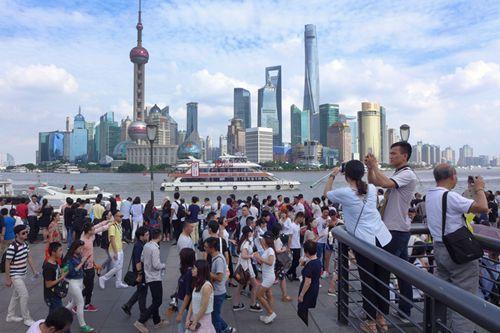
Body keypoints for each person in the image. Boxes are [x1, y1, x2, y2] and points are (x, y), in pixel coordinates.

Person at [324, 161, 392, 333]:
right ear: (361, 173)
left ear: (346, 176)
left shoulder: (345, 192)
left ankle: (370, 323)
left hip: (366, 243)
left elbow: (326, 194)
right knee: (382, 281)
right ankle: (382, 319)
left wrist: (332, 175)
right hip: (383, 238)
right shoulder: (372, 189)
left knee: (368, 281)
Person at [425, 164, 488, 333]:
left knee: (444, 294)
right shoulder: (450, 197)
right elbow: (483, 208)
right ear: (453, 176)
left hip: (439, 249)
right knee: (465, 301)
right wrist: (480, 189)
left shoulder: (430, 195)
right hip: (458, 253)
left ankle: (440, 328)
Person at [365, 141, 417, 320]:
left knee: (383, 271)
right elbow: (373, 181)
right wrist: (371, 168)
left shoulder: (407, 174)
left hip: (395, 231)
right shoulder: (399, 173)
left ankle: (381, 313)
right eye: (390, 153)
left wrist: (375, 166)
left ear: (405, 156)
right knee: (403, 273)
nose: (391, 156)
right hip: (393, 229)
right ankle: (404, 310)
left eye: (395, 153)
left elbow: (384, 182)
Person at [134, 229, 168, 333]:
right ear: (159, 236)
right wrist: (164, 265)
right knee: (158, 301)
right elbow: (156, 265)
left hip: (148, 276)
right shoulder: (155, 248)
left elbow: (142, 259)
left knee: (155, 300)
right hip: (155, 278)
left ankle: (157, 321)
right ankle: (140, 321)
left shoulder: (146, 246)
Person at [5, 224, 37, 326]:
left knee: (16, 295)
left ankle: (10, 316)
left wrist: (34, 271)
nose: (26, 234)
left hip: (22, 274)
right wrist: (8, 279)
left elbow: (29, 257)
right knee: (24, 295)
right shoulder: (12, 247)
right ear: (17, 235)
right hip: (15, 275)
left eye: (26, 232)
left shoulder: (25, 244)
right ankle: (26, 318)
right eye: (23, 233)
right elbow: (7, 263)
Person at [205, 237, 236, 333]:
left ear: (212, 248)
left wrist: (206, 272)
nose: (204, 248)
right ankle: (227, 328)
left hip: (218, 292)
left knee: (215, 317)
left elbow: (219, 278)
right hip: (217, 291)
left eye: (206, 247)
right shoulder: (216, 257)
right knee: (215, 314)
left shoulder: (218, 260)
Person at [81, 218, 111, 311]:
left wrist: (107, 221)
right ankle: (77, 302)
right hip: (85, 267)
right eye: (92, 230)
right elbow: (80, 256)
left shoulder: (90, 235)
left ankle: (85, 304)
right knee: (89, 287)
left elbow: (98, 227)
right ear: (89, 231)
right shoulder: (83, 241)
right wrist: (111, 224)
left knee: (90, 287)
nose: (94, 231)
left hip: (90, 265)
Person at [63, 240, 94, 332]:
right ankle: (83, 325)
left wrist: (85, 262)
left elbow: (80, 268)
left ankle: (60, 314)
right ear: (74, 248)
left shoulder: (78, 255)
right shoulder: (69, 258)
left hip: (79, 281)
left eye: (82, 248)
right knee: (80, 303)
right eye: (80, 248)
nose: (81, 250)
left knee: (74, 302)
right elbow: (72, 272)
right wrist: (81, 262)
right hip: (72, 282)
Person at [232, 226, 262, 312]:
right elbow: (244, 255)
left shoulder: (245, 241)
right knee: (254, 285)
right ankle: (252, 304)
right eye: (251, 231)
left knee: (241, 286)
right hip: (246, 267)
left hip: (243, 266)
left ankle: (236, 304)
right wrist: (252, 256)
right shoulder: (246, 243)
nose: (252, 233)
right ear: (249, 233)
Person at [122, 227, 150, 317]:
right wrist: (140, 274)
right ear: (141, 236)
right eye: (146, 234)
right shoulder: (139, 246)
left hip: (141, 272)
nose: (148, 236)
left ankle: (128, 305)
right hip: (140, 272)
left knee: (141, 291)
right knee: (142, 293)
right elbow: (138, 262)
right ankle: (143, 313)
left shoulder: (141, 244)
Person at [99, 211, 128, 289]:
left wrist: (121, 241)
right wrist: (115, 252)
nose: (121, 217)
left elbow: (117, 237)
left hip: (120, 249)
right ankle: (103, 278)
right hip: (114, 250)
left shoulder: (119, 226)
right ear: (115, 217)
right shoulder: (112, 226)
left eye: (122, 216)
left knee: (120, 267)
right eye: (120, 216)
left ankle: (118, 282)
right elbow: (111, 239)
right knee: (117, 267)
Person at [185, 260, 216, 333]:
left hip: (203, 320)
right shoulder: (198, 283)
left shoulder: (206, 286)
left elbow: (203, 307)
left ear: (200, 270)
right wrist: (188, 318)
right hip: (195, 317)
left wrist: (195, 322)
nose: (192, 270)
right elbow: (193, 302)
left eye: (194, 268)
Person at [253, 231, 277, 324]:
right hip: (267, 276)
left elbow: (270, 262)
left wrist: (259, 257)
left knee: (259, 295)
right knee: (269, 294)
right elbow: (264, 263)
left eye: (263, 238)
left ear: (266, 240)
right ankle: (270, 314)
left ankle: (271, 313)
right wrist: (257, 258)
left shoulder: (270, 250)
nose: (261, 239)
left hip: (268, 278)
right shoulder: (267, 250)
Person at [297, 240, 322, 326]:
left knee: (302, 309)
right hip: (314, 287)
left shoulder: (310, 264)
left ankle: (305, 325)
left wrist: (301, 295)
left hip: (308, 289)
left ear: (307, 252)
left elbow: (307, 282)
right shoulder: (317, 261)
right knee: (305, 308)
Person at [43, 242, 68, 314]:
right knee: (56, 314)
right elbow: (48, 284)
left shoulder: (55, 262)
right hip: (51, 296)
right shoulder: (48, 267)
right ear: (53, 252)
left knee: (53, 314)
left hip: (56, 293)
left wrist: (63, 273)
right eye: (60, 250)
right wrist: (61, 277)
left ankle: (49, 324)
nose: (62, 252)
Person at [176, 247, 196, 333]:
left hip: (184, 302)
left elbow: (188, 294)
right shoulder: (188, 270)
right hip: (182, 300)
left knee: (182, 325)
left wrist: (180, 313)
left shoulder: (189, 273)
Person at [286, 211, 304, 281]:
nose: (302, 220)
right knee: (296, 262)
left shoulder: (298, 225)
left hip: (298, 245)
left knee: (295, 261)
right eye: (302, 218)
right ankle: (288, 272)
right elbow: (290, 237)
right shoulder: (292, 225)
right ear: (299, 217)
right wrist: (288, 247)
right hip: (293, 246)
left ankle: (294, 275)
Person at [315, 207, 331, 271]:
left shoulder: (329, 218)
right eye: (325, 212)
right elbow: (314, 228)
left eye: (327, 212)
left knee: (326, 257)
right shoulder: (318, 219)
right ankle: (318, 269)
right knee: (319, 256)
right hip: (320, 241)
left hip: (327, 240)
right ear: (322, 212)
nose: (326, 214)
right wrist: (316, 236)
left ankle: (325, 270)